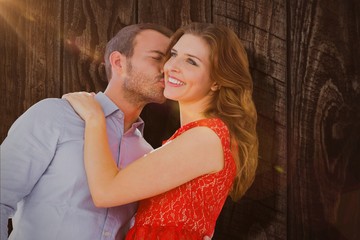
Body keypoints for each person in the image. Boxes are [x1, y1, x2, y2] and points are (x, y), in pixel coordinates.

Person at [63, 22, 259, 239]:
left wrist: (95, 117)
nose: (172, 66)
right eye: (174, 54)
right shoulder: (199, 136)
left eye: (191, 62)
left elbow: (105, 192)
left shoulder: (205, 137)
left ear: (216, 82)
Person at [0, 23, 173, 240]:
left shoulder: (147, 154)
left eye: (171, 60)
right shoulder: (55, 116)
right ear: (119, 62)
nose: (167, 68)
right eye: (157, 58)